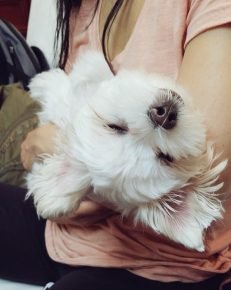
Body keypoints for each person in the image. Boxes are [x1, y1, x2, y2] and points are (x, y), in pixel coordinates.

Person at [1, 0, 231, 289]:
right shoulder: (84, 6)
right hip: (71, 234)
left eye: (163, 157)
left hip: (159, 260)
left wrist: (61, 148)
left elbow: (212, 167)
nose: (161, 118)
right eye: (117, 127)